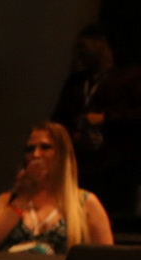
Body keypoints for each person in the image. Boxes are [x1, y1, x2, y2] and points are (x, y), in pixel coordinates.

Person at [0, 122, 114, 254]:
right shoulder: (7, 200)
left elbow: (105, 259)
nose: (36, 155)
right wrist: (23, 197)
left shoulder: (85, 202)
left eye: (45, 147)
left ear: (62, 154)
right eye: (30, 149)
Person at [52, 24, 141, 225]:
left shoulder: (130, 76)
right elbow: (59, 118)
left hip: (117, 166)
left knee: (111, 220)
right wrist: (71, 135)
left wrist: (106, 118)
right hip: (80, 165)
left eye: (84, 47)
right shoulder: (76, 82)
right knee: (76, 218)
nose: (80, 54)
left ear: (100, 42)